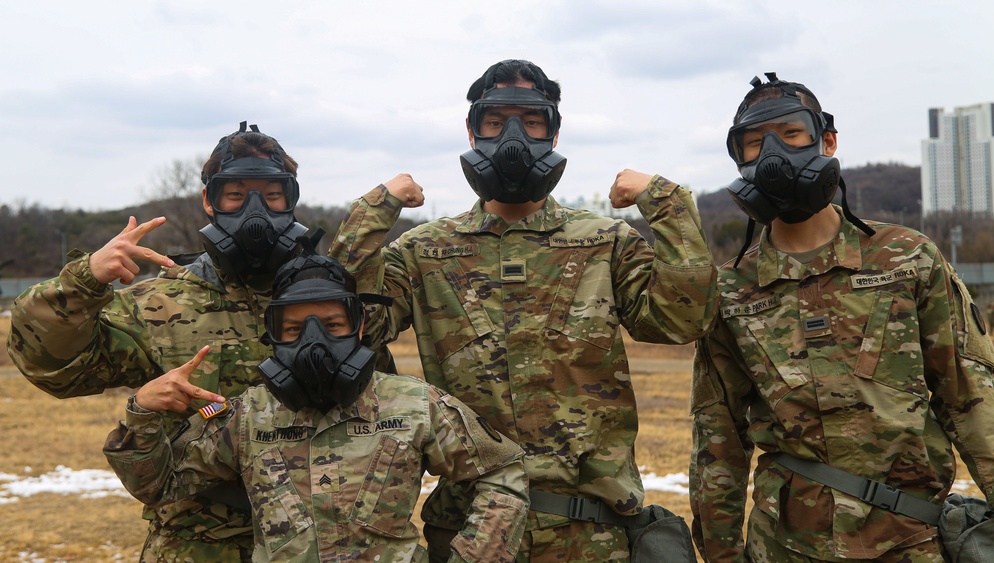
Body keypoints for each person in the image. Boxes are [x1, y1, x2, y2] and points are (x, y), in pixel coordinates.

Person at [329, 59, 718, 561]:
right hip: (472, 531)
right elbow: (355, 326)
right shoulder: (425, 250)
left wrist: (667, 203)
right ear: (473, 132)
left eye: (531, 122)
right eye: (496, 122)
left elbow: (683, 321)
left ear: (553, 133)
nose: (513, 136)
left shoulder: (604, 242)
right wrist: (372, 213)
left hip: (592, 533)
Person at [688, 73, 994, 562]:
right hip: (784, 548)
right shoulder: (729, 289)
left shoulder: (907, 258)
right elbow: (718, 438)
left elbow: (971, 400)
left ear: (826, 140)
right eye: (754, 144)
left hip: (909, 541)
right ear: (739, 160)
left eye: (791, 135)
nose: (773, 154)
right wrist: (721, 554)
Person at [6, 122, 311, 561]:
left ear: (291, 200)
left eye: (273, 194)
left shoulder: (328, 297)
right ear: (210, 201)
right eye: (236, 194)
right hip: (198, 544)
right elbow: (52, 367)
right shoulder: (158, 304)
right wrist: (84, 281)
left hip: (319, 539)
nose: (255, 209)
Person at [104, 251, 529, 562]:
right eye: (293, 328)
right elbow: (160, 486)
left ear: (359, 326)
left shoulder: (415, 403)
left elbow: (502, 469)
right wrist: (142, 411)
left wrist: (477, 555)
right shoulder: (249, 414)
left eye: (332, 325)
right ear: (273, 334)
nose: (314, 341)